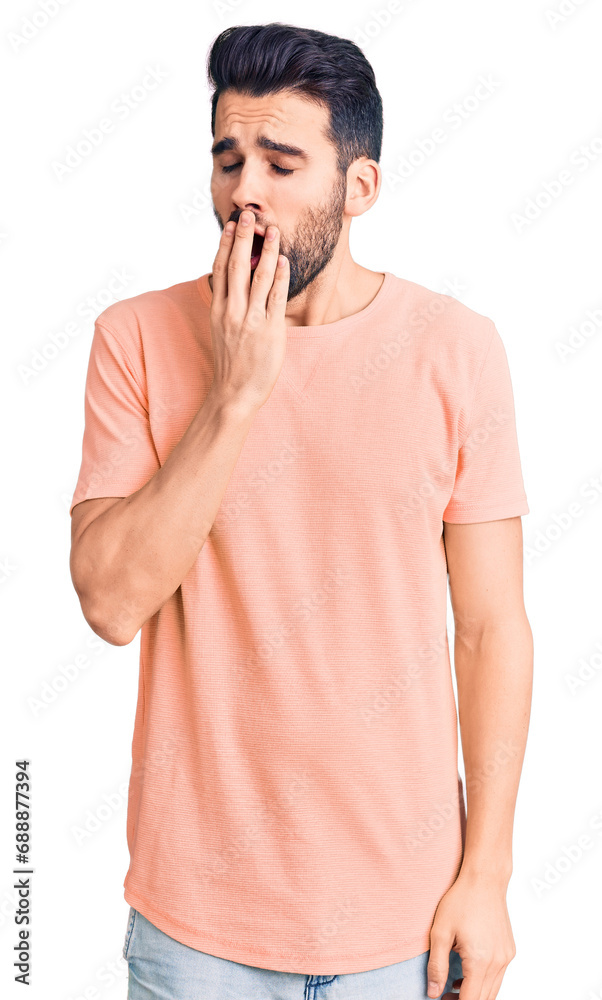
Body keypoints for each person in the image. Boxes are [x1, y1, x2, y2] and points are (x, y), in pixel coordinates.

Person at [69, 22, 533, 1000]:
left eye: (282, 164)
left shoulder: (455, 350)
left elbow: (490, 630)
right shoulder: (135, 339)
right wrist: (234, 395)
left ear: (358, 187)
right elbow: (110, 603)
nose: (246, 189)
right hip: (195, 934)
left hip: (402, 927)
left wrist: (486, 877)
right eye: (228, 159)